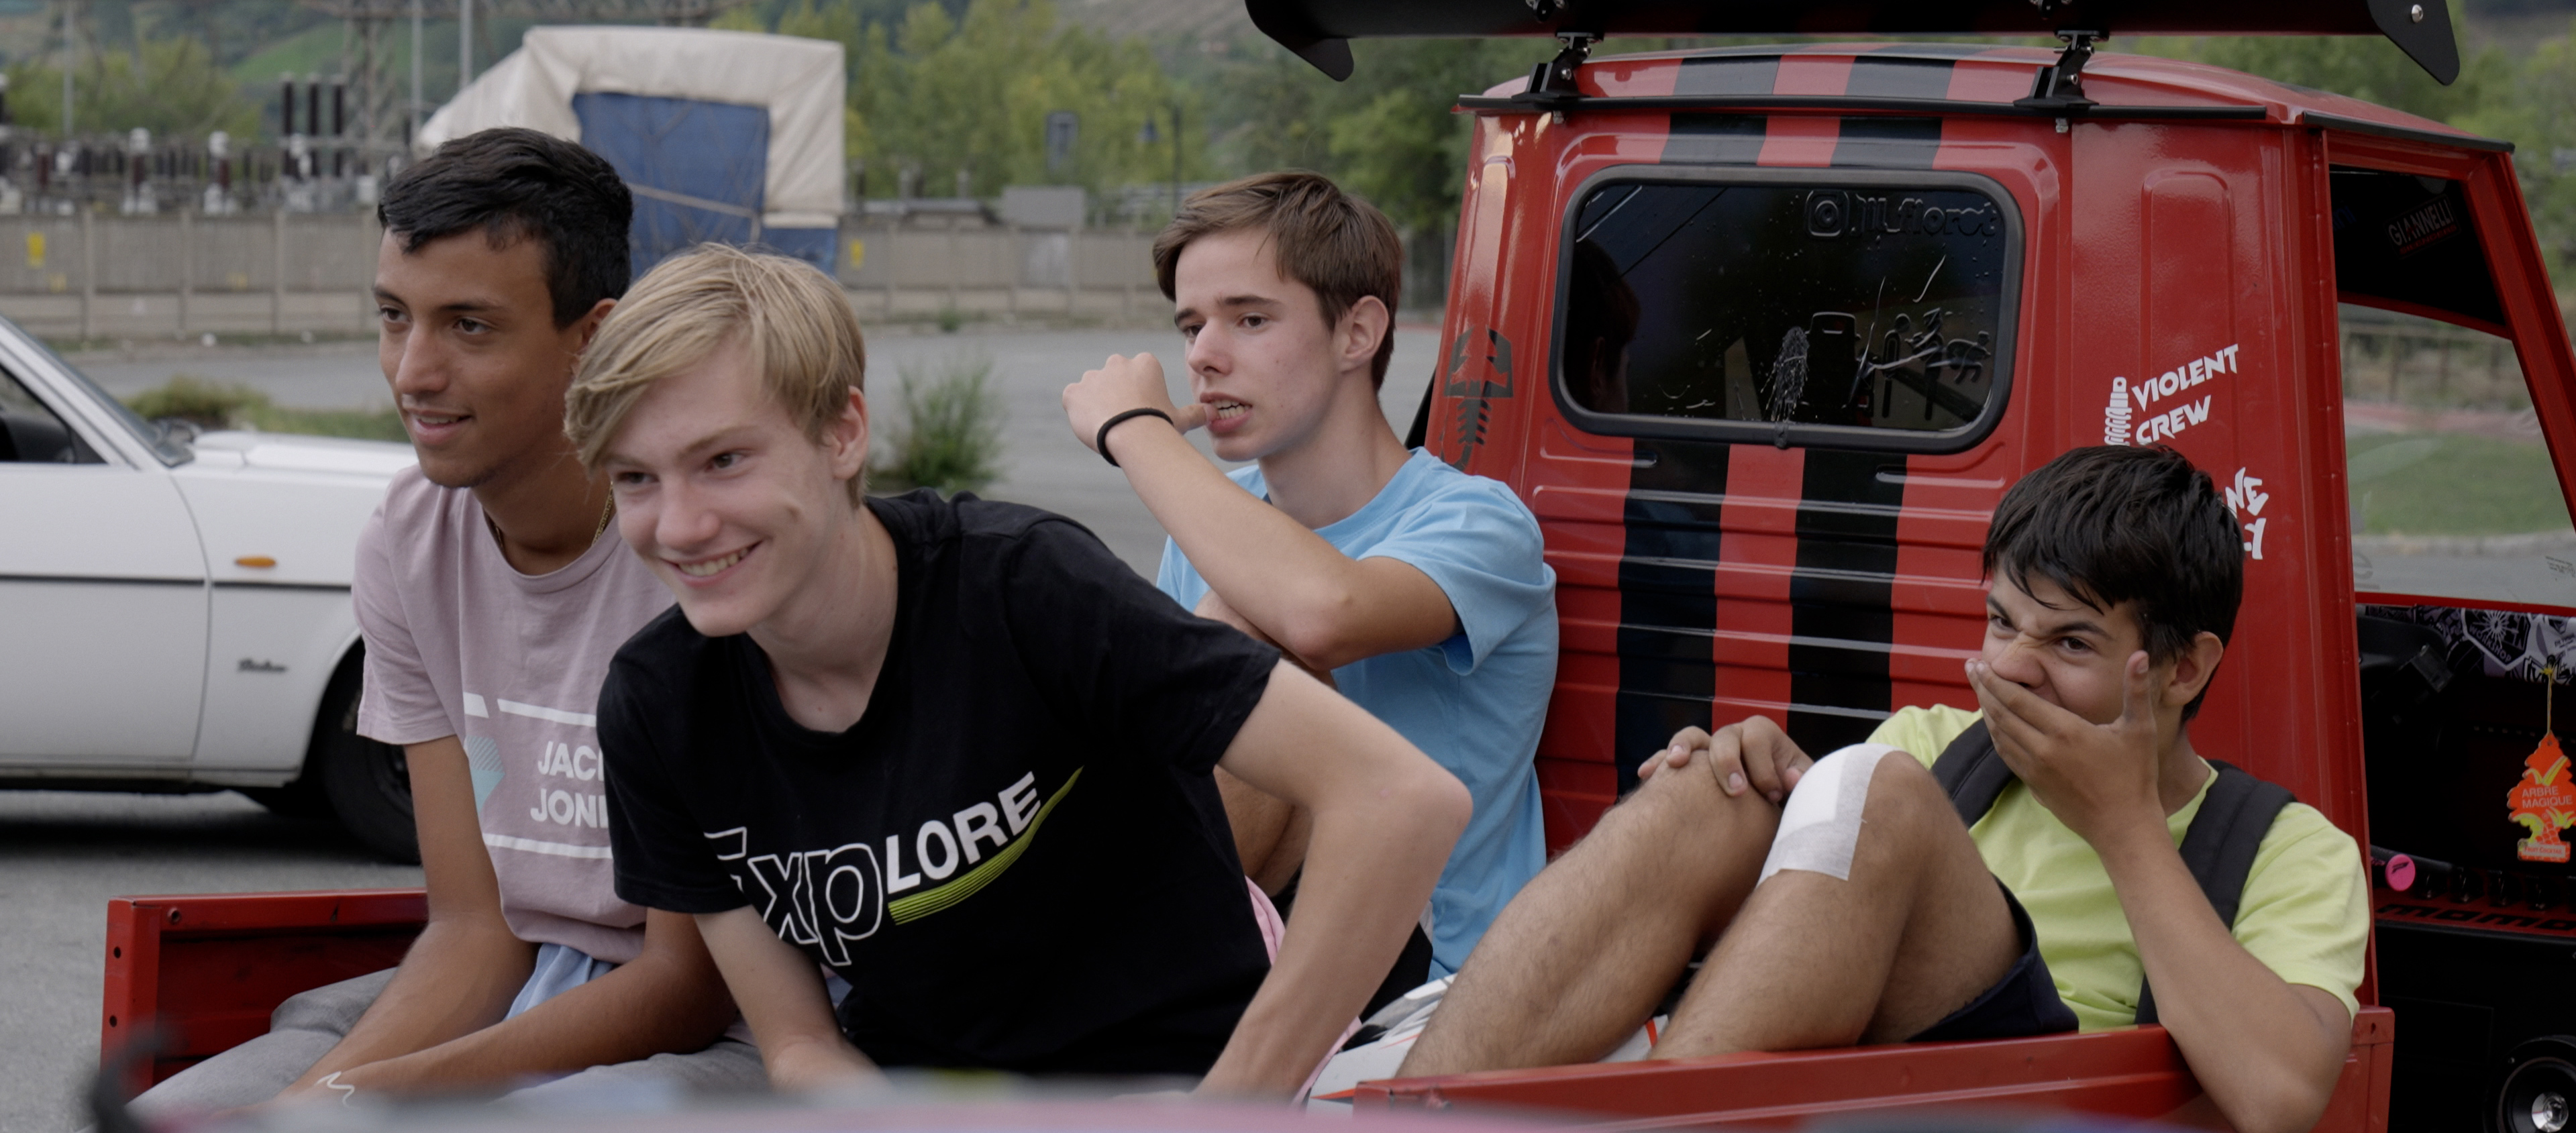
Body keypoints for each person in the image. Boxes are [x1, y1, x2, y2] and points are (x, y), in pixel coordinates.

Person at [566, 244, 1470, 1096]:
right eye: (635, 478)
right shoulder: (659, 707)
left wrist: (1234, 1108)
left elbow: (1399, 798)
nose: (679, 526)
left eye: (724, 461)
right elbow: (801, 1046)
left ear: (843, 433)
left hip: (1172, 1076)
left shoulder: (1023, 589)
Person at [1347, 445, 2368, 1133]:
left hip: (2049, 1107)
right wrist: (1760, 793)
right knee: (1715, 785)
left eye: (2070, 644)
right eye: (2001, 623)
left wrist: (2124, 826)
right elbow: (1808, 934)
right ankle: (1417, 1122)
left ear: (2184, 668)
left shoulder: (2288, 848)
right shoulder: (1934, 744)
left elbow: (2282, 1097)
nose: (2010, 669)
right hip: (1872, 1087)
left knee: (1874, 788)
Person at [132, 129, 758, 1118]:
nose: (413, 372)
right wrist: (322, 1099)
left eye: (469, 326)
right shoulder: (407, 541)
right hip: (528, 978)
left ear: (593, 339)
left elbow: (686, 986)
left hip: (729, 1024)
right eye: (395, 317)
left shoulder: (692, 552)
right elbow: (475, 927)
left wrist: (354, 1099)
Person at [1059, 172, 1557, 984]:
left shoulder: (1479, 522)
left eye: (1249, 319)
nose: (1203, 355)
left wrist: (1136, 432)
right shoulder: (1214, 526)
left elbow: (1324, 615)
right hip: (1260, 950)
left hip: (1432, 984)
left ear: (1356, 333)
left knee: (1244, 629)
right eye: (1191, 326)